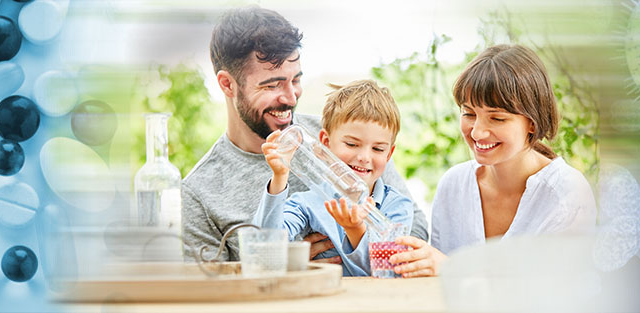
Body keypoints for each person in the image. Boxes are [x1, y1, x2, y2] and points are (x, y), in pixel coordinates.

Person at [181, 6, 428, 263]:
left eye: (296, 80)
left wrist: (351, 253)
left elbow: (416, 232)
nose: (290, 97)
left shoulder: (347, 140)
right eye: (273, 84)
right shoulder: (199, 193)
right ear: (227, 84)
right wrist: (289, 264)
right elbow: (209, 292)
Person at [389, 44, 597, 277]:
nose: (477, 132)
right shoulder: (453, 185)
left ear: (532, 122)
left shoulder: (567, 194)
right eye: (469, 114)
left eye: (497, 118)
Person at [254, 80, 413, 276]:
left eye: (378, 149)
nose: (364, 157)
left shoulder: (397, 207)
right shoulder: (308, 203)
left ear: (389, 155)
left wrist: (355, 230)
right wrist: (279, 177)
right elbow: (264, 247)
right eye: (352, 144)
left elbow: (390, 274)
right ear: (325, 144)